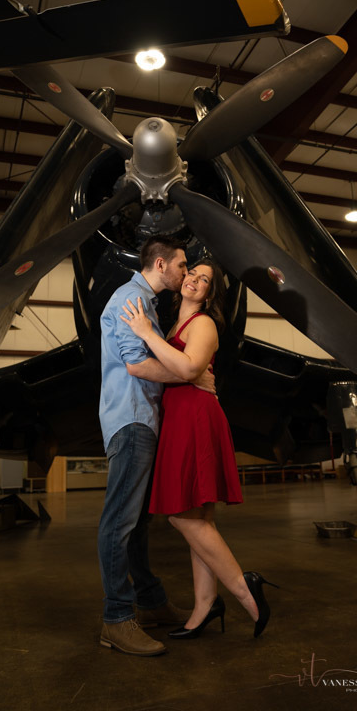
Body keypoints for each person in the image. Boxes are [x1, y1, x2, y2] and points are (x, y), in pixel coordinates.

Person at [121, 259, 275, 640]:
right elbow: (185, 369)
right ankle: (205, 607)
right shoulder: (174, 322)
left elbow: (189, 370)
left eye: (204, 280)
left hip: (194, 417)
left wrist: (145, 334)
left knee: (180, 515)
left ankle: (244, 588)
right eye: (192, 273)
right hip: (180, 413)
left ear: (210, 293)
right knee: (198, 519)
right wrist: (184, 367)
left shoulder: (203, 324)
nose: (194, 279)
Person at [97, 236, 216, 657]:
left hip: (143, 418)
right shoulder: (131, 298)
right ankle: (116, 619)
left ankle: (149, 602)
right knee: (119, 523)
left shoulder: (146, 303)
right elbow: (135, 363)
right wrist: (189, 375)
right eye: (183, 266)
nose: (187, 273)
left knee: (139, 524)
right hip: (131, 419)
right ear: (161, 264)